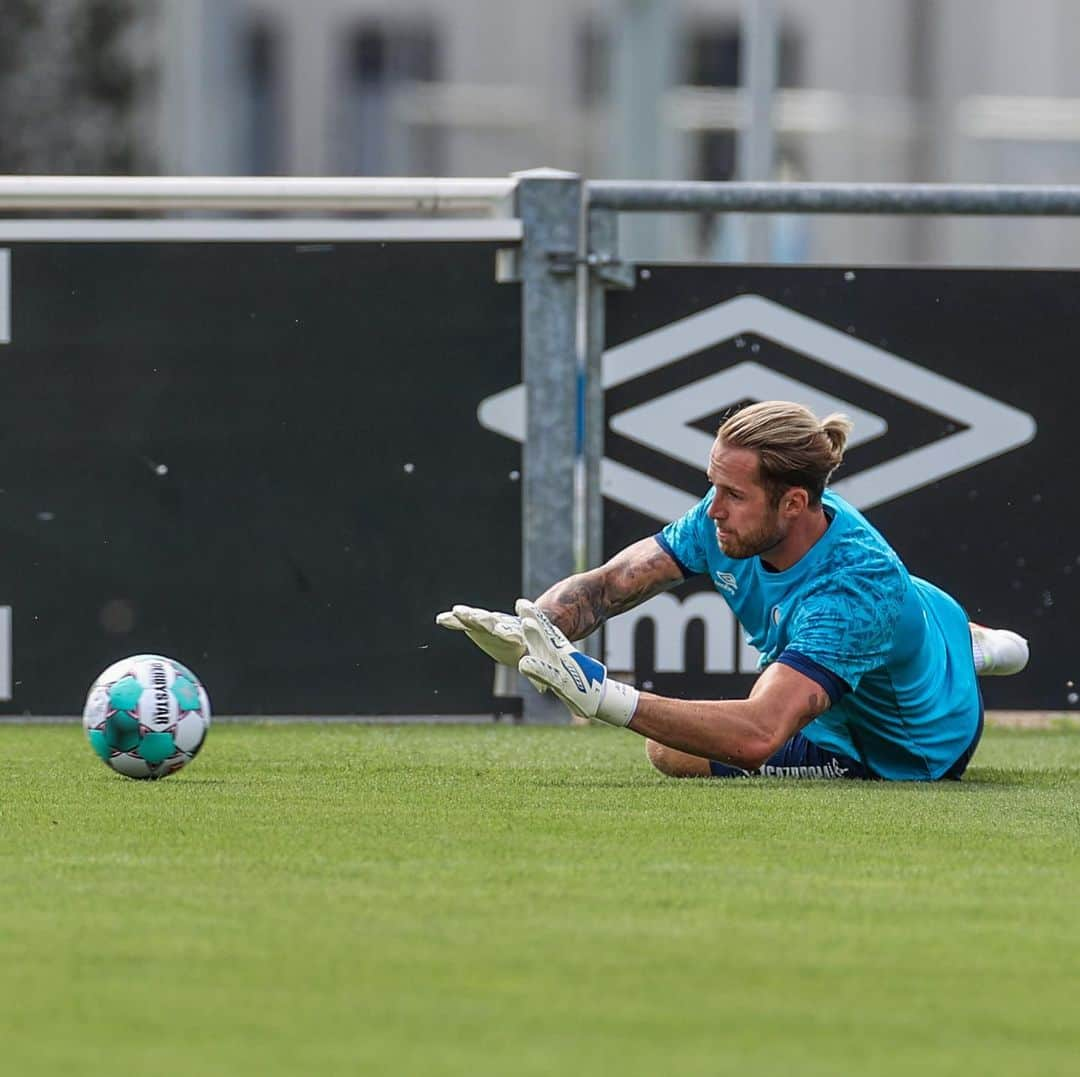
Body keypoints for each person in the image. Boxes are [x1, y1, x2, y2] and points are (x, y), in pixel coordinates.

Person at [437, 401, 1029, 781]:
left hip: (906, 749)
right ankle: (972, 645)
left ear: (794, 502)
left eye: (733, 495)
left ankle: (972, 654)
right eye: (711, 486)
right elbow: (613, 583)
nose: (712, 510)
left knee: (671, 753)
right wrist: (535, 630)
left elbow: (755, 735)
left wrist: (602, 697)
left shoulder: (855, 591)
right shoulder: (728, 519)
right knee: (909, 621)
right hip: (915, 610)